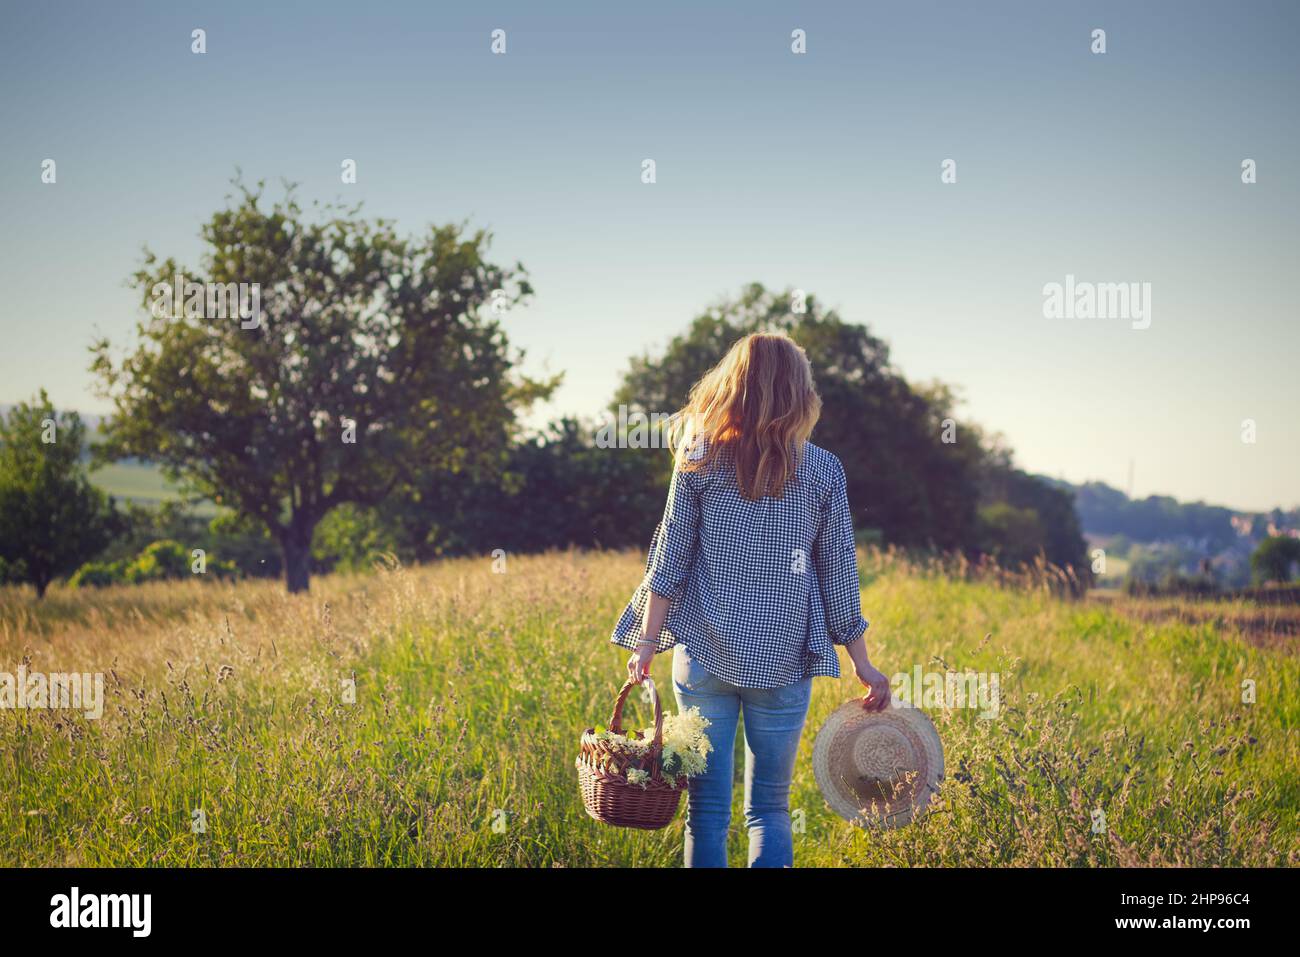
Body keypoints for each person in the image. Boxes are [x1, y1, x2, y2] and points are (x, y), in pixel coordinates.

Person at [610, 331, 891, 867]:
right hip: (785, 661)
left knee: (707, 812)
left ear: (732, 386)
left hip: (704, 654)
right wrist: (863, 664)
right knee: (770, 809)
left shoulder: (699, 457)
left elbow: (669, 560)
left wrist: (646, 644)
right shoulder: (823, 470)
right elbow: (838, 575)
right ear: (799, 394)